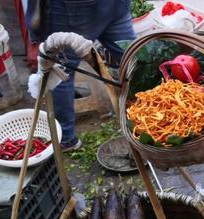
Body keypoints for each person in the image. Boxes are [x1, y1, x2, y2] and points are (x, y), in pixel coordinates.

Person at [26, 0, 136, 151]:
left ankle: (65, 138)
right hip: (115, 4)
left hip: (75, 7)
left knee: (61, 68)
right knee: (131, 58)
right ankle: (153, 120)